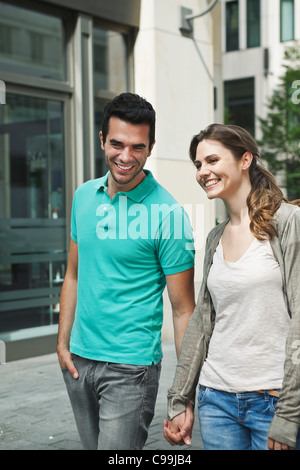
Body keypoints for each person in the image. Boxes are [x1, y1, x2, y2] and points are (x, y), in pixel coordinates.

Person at [57, 92, 195, 450]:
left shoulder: (169, 215)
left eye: (138, 147)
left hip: (130, 370)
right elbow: (73, 274)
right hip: (78, 361)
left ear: (150, 148)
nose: (126, 156)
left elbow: (183, 310)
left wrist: (184, 394)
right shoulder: (83, 197)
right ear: (102, 139)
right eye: (117, 144)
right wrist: (62, 343)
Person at [164, 123, 300, 450]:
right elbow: (201, 323)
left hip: (272, 399)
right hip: (216, 399)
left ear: (245, 160)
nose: (203, 171)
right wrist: (180, 399)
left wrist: (289, 413)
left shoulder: (287, 222)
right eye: (198, 164)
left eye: (212, 160)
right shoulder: (215, 237)